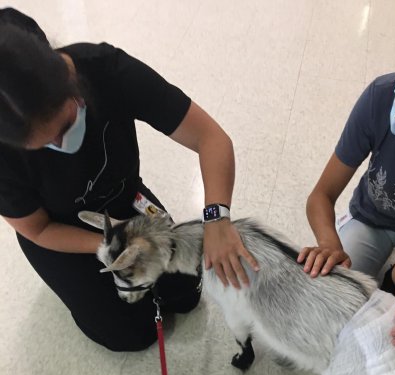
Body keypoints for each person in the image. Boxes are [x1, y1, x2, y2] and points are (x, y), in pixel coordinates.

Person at [0, 8, 258, 352]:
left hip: (122, 198)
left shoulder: (106, 70)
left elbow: (210, 138)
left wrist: (217, 218)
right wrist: (111, 245)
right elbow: (38, 229)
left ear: (67, 79)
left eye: (65, 125)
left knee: (186, 291)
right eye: (43, 145)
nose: (61, 143)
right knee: (134, 333)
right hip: (60, 230)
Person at [298, 9, 395, 358]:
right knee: (332, 297)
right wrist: (329, 244)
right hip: (371, 217)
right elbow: (321, 195)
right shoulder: (379, 97)